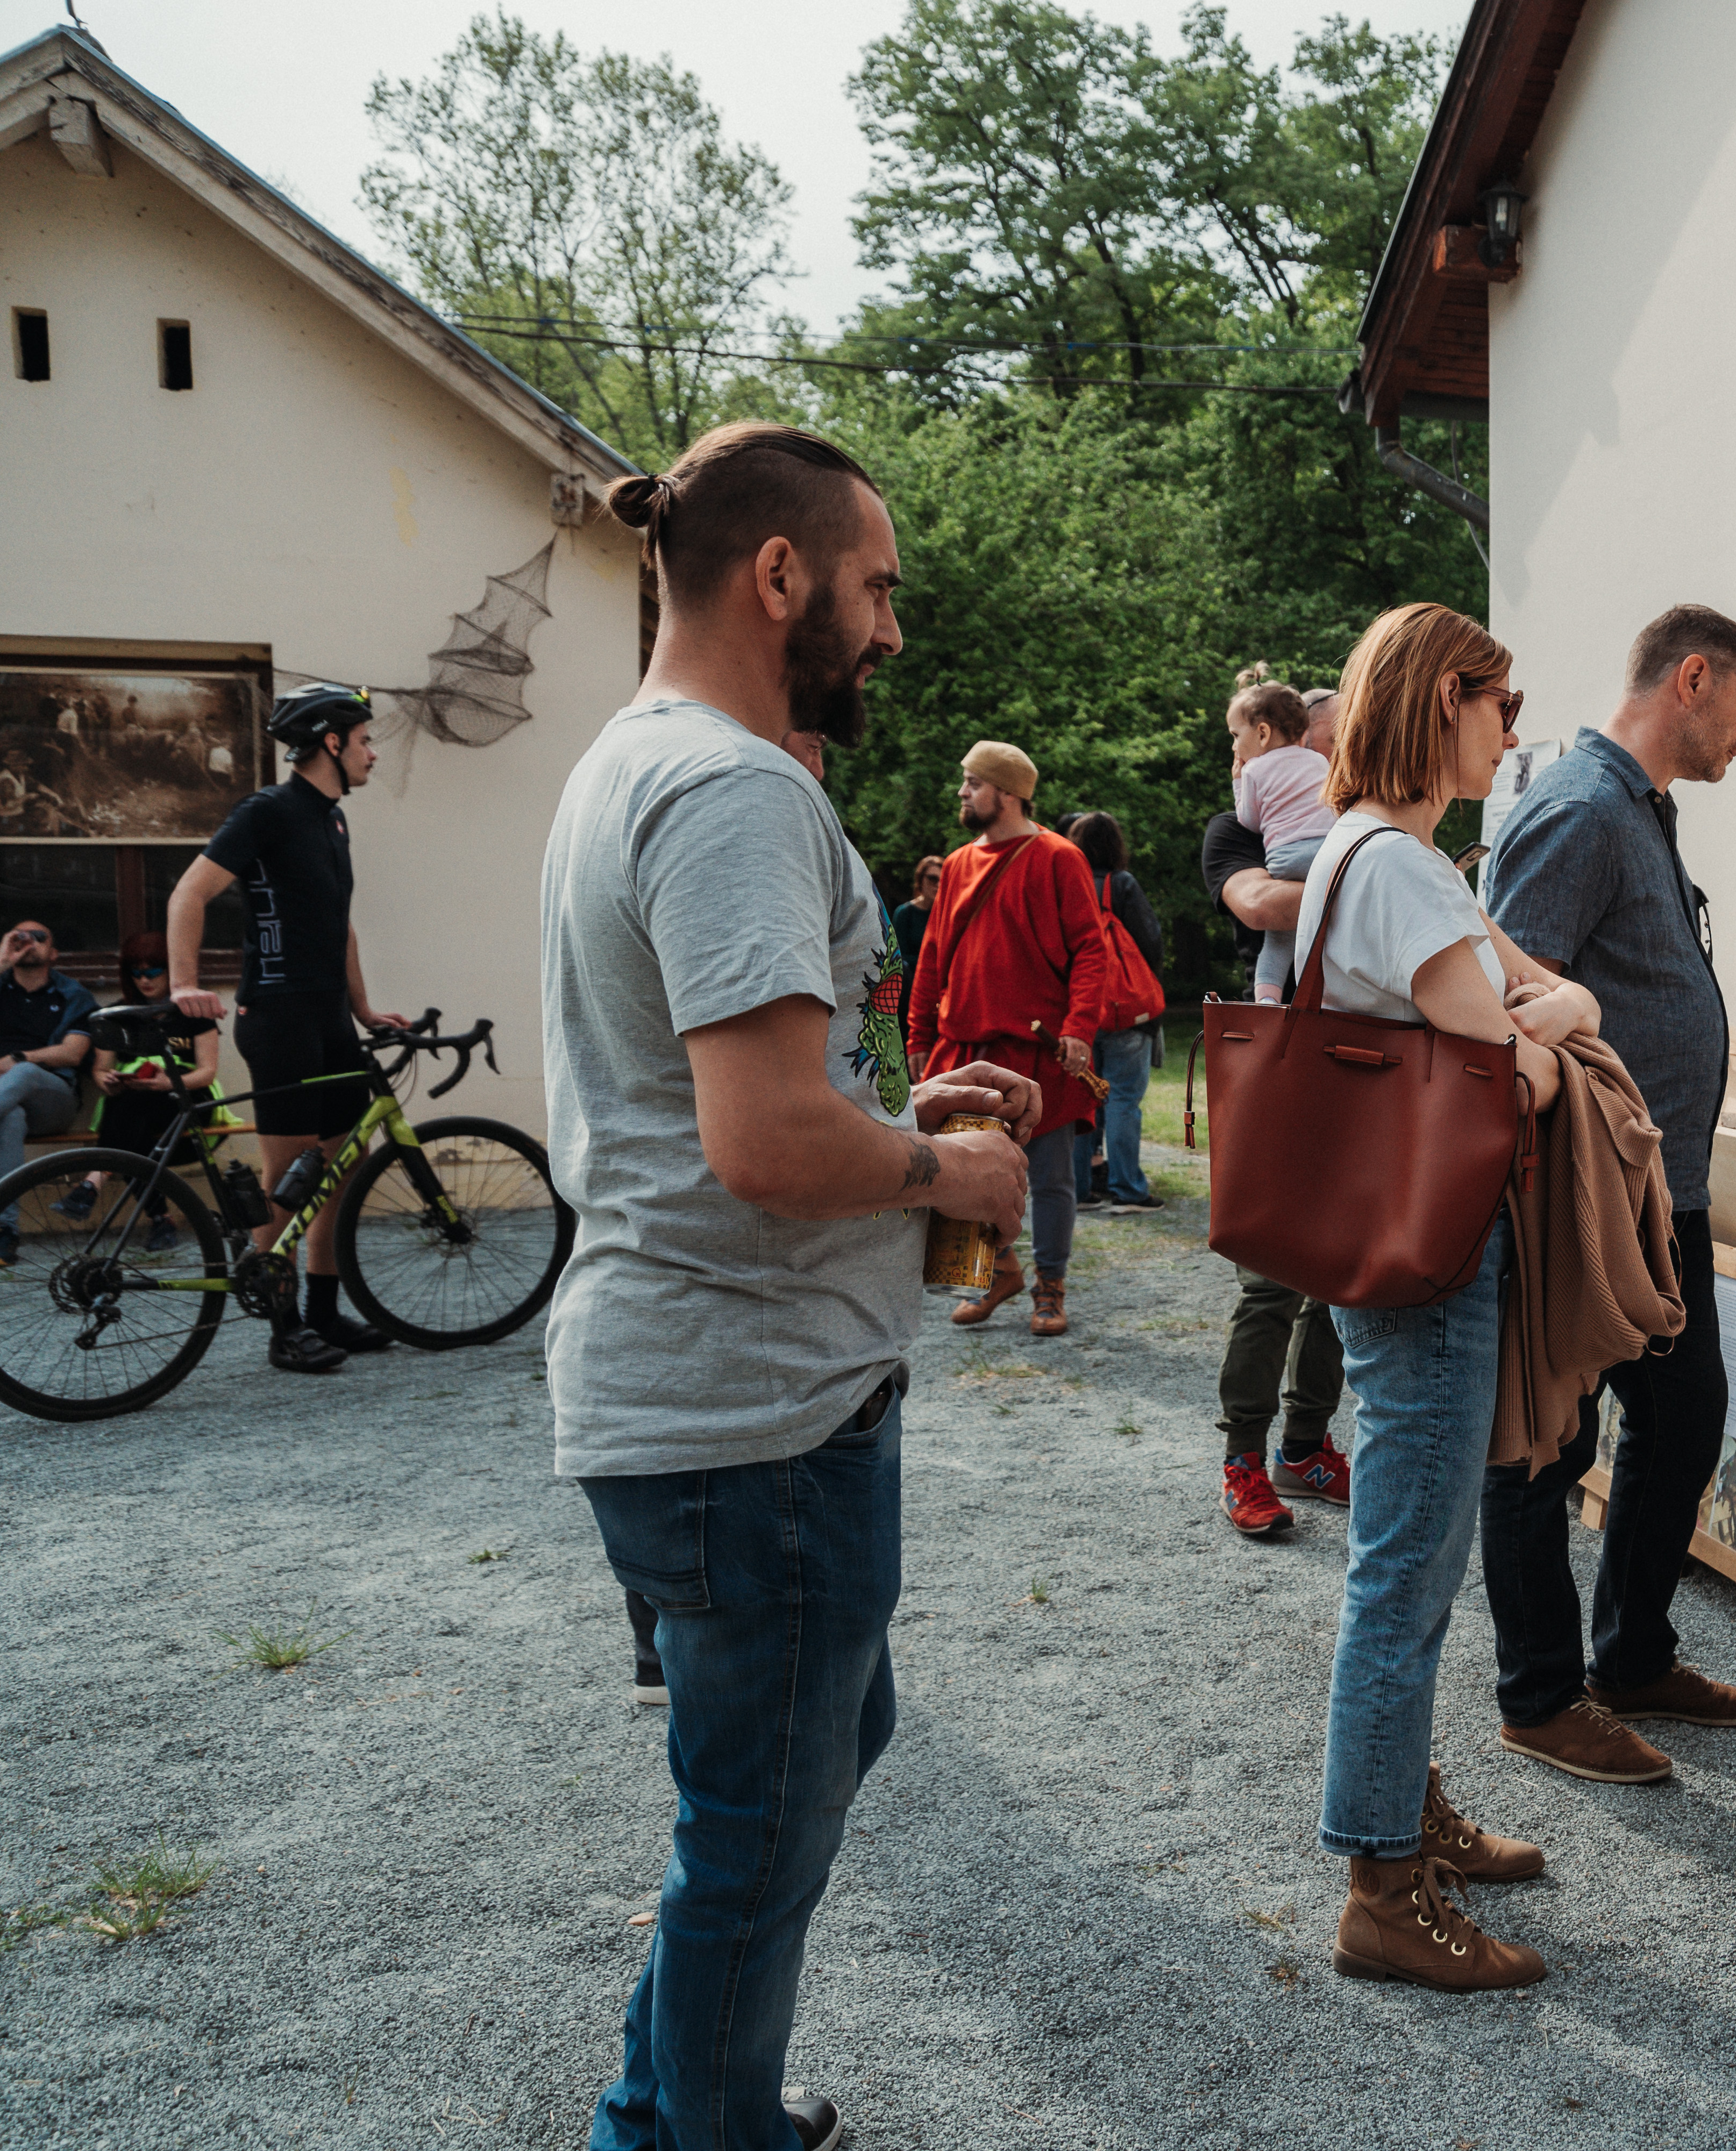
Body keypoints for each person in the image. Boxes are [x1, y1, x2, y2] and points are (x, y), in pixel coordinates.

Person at [544, 418, 1037, 2151]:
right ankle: (697, 2130)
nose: (890, 627)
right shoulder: (739, 787)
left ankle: (664, 2100)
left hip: (699, 1398)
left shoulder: (638, 758)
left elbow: (725, 1117)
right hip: (751, 1420)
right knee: (756, 1827)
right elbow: (760, 1144)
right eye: (876, 585)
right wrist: (950, 1171)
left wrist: (899, 1121)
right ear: (779, 574)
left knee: (795, 1767)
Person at [1303, 600, 1601, 1992]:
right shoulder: (1406, 874)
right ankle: (1382, 1885)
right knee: (1407, 1570)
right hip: (1428, 1263)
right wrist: (1546, 1034)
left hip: (1398, 1247)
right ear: (1441, 704)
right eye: (1500, 701)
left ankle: (1399, 1812)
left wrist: (1545, 1022)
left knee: (1412, 1558)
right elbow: (1517, 1067)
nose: (1516, 727)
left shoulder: (1382, 858)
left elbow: (1549, 1008)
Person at [1479, 603, 1736, 1786]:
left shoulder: (1635, 807)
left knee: (1686, 1412)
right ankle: (1542, 1695)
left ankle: (1633, 1655)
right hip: (1582, 1201)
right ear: (1690, 679)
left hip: (1660, 1193)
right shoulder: (1582, 810)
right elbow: (1503, 998)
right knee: (1552, 1439)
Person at [168, 682, 406, 1370]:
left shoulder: (332, 818)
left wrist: (362, 1009)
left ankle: (327, 1313)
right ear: (331, 742)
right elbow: (191, 891)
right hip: (277, 1015)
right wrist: (185, 985)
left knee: (343, 1159)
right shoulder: (269, 810)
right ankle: (284, 1326)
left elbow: (339, 924)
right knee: (292, 1174)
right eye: (365, 740)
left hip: (328, 1016)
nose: (373, 754)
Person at [1196, 685, 1348, 1539]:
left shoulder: (1344, 824)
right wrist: (1369, 881)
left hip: (1354, 1064)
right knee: (1272, 1280)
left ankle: (1306, 1445)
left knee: (1334, 1274)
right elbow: (1261, 905)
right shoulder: (1238, 830)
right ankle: (1244, 1458)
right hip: (1275, 1068)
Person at [904, 741, 1109, 1339]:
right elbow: (934, 957)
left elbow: (1090, 950)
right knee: (953, 1173)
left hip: (1037, 1053)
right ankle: (1001, 1271)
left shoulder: (1058, 857)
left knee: (1047, 1179)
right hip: (965, 1049)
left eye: (973, 782)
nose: (963, 792)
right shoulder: (959, 862)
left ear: (1008, 793)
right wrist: (920, 1030)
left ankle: (1050, 1286)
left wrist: (1079, 1028)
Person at [68, 932, 220, 1252]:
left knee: (135, 1107)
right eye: (136, 973)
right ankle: (161, 1220)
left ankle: (93, 1182)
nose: (144, 980)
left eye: (153, 972)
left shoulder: (194, 1011)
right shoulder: (118, 1014)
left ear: (171, 970)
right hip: (136, 1109)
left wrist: (168, 1082)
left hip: (190, 1104)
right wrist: (106, 1079)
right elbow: (100, 1069)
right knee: (134, 1111)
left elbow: (208, 1072)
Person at [1059, 810, 1161, 1216]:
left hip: (1080, 1014)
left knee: (1084, 1100)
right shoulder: (1122, 885)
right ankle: (1127, 1189)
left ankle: (1080, 1190)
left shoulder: (1067, 882)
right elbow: (1150, 942)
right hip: (1123, 1012)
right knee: (1122, 1100)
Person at [1229, 672, 1336, 1000]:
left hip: (1287, 859)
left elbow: (1249, 820)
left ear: (1262, 733)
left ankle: (1268, 1001)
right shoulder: (1319, 761)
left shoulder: (1253, 771)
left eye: (1236, 735)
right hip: (1329, 855)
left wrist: (1238, 781)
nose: (1234, 745)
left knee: (1278, 942)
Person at [0, 918, 97, 1263]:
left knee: (23, 1072)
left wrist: (18, 1059)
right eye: (20, 937)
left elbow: (73, 1053)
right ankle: (5, 1232)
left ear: (54, 954)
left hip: (55, 1101)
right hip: (4, 1103)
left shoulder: (73, 995)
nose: (28, 943)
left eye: (39, 938)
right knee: (10, 1118)